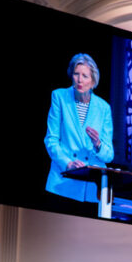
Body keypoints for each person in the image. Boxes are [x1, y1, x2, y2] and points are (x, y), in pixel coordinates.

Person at [44, 53, 114, 209]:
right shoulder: (59, 97)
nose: (79, 80)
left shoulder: (104, 108)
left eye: (85, 76)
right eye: (76, 74)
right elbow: (51, 140)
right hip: (62, 183)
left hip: (90, 190)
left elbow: (109, 155)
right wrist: (68, 164)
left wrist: (98, 144)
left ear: (93, 81)